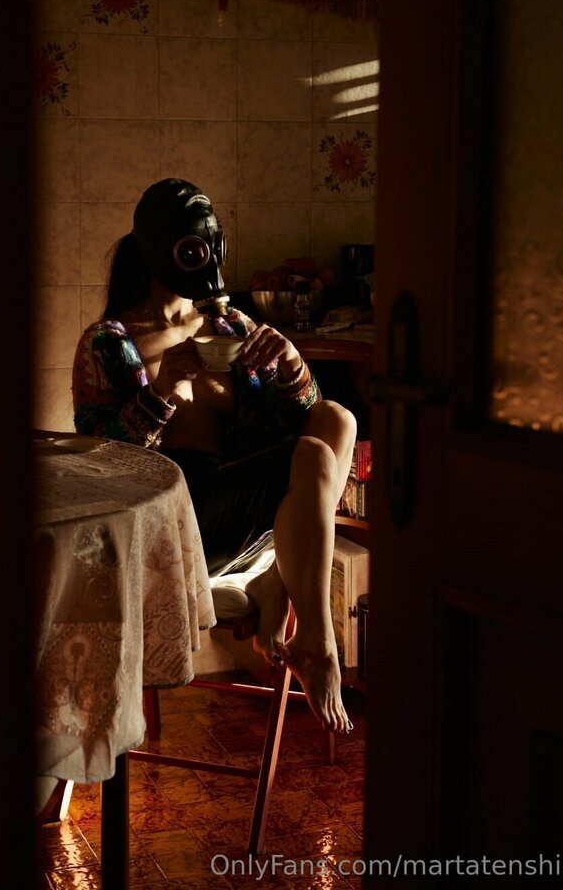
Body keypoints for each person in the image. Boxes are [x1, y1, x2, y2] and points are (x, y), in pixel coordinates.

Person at [72, 178, 357, 733]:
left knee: (336, 419)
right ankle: (318, 642)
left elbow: (303, 418)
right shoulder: (109, 341)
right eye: (188, 249)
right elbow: (99, 462)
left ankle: (279, 586)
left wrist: (291, 366)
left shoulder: (227, 324)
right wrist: (161, 395)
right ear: (159, 251)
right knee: (314, 456)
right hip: (173, 520)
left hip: (238, 503)